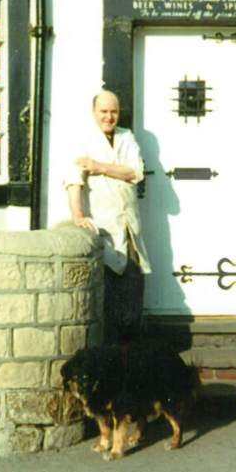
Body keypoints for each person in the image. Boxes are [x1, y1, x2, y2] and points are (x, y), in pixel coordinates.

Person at [64, 89, 151, 345]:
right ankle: (110, 352)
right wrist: (78, 214)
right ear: (94, 112)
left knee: (133, 289)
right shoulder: (83, 140)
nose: (109, 117)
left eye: (114, 112)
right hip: (103, 227)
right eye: (104, 111)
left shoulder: (127, 137)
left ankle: (132, 351)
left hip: (129, 226)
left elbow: (135, 172)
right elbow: (73, 181)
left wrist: (99, 167)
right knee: (108, 296)